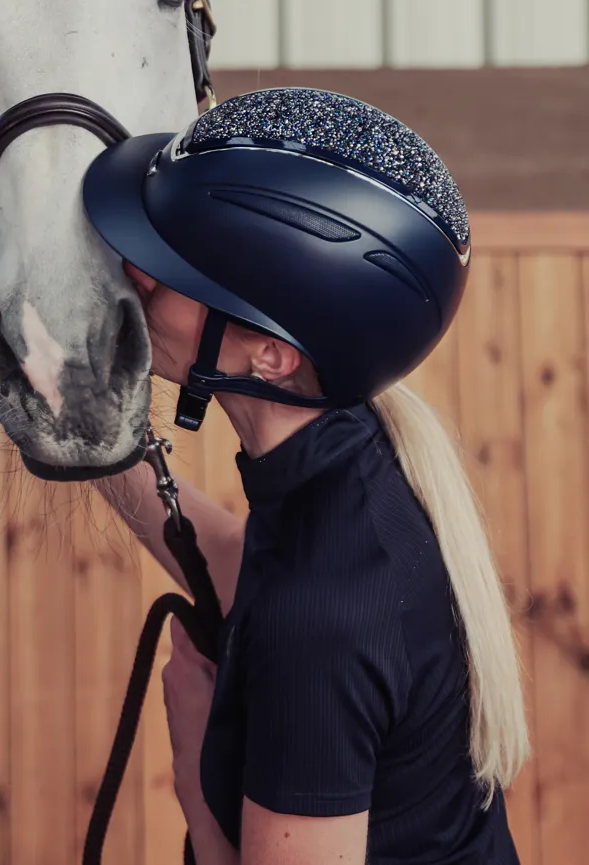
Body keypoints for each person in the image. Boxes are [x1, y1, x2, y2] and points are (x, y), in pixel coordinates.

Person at [82, 87, 528, 865]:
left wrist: (191, 764)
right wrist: (91, 433)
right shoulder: (350, 463)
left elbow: (293, 606)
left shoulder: (322, 620)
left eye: (177, 265)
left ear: (273, 354)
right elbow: (245, 559)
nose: (136, 271)